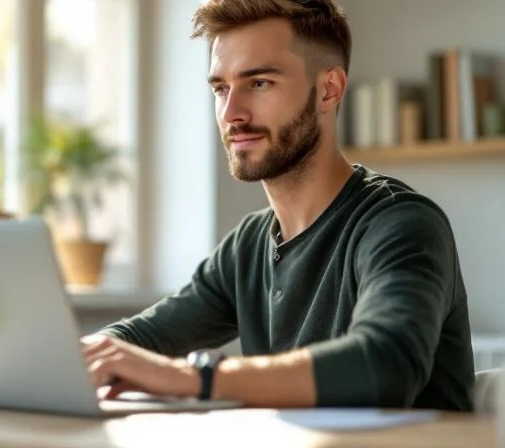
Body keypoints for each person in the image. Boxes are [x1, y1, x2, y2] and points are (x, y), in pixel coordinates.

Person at [81, 0, 474, 411]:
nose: (231, 113)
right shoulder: (247, 247)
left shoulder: (401, 223)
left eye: (259, 83)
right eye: (220, 88)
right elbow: (145, 336)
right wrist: (74, 358)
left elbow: (386, 365)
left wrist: (196, 378)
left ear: (329, 89)